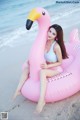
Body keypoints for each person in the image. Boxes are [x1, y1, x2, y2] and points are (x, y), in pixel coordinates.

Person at [13, 24, 68, 114]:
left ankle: (41, 100)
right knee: (27, 68)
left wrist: (47, 66)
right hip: (46, 65)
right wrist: (30, 60)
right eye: (49, 31)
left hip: (55, 68)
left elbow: (60, 62)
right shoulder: (44, 42)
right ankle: (18, 90)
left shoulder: (56, 47)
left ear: (56, 36)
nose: (50, 34)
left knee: (42, 72)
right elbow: (37, 54)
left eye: (53, 33)